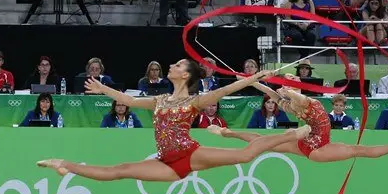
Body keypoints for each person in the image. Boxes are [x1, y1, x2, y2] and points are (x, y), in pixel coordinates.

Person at [36, 63, 307, 182]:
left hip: (189, 154)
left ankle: (291, 135)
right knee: (121, 170)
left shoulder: (195, 101)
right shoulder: (160, 100)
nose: (172, 67)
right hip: (167, 162)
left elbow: (225, 90)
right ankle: (65, 164)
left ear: (186, 75)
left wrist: (254, 78)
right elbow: (127, 100)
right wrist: (102, 89)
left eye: (177, 65)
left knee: (245, 155)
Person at [212, 75, 388, 162]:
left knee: (360, 150)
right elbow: (269, 91)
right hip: (313, 148)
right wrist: (250, 81)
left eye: (294, 80)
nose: (291, 82)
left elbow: (297, 96)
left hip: (317, 144)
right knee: (264, 142)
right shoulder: (288, 103)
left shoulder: (304, 101)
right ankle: (227, 133)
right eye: (290, 80)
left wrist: (287, 89)